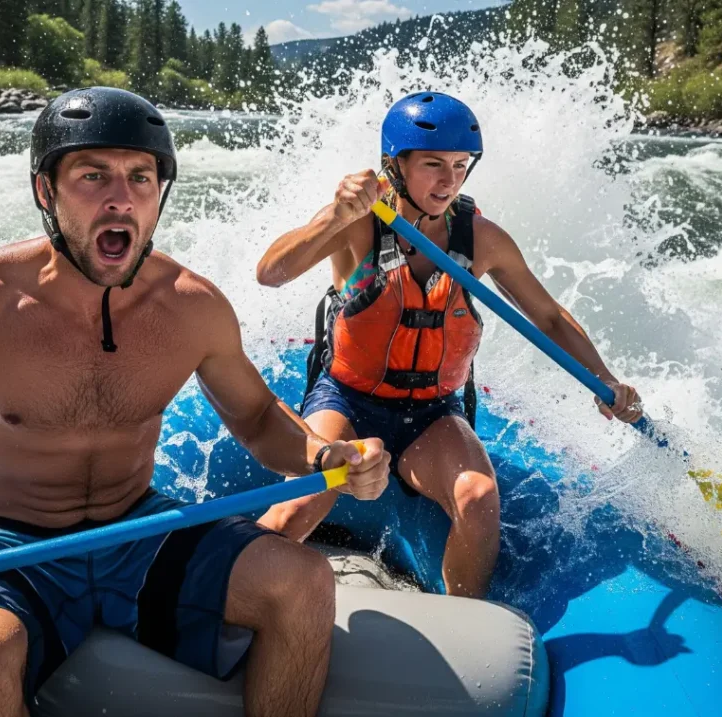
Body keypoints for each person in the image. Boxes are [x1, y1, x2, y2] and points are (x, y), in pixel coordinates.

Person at [0, 87, 390, 717]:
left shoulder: (191, 306)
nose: (121, 198)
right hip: (7, 546)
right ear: (45, 192)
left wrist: (326, 452)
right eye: (92, 175)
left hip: (138, 528)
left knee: (304, 582)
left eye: (141, 177)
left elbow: (257, 417)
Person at [256, 91, 643, 599]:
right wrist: (334, 214)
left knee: (479, 496)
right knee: (304, 501)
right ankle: (230, 592)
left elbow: (547, 316)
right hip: (346, 399)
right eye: (433, 164)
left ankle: (464, 625)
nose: (449, 180)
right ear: (394, 166)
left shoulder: (480, 239)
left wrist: (606, 380)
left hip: (433, 412)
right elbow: (270, 273)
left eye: (461, 166)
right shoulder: (359, 225)